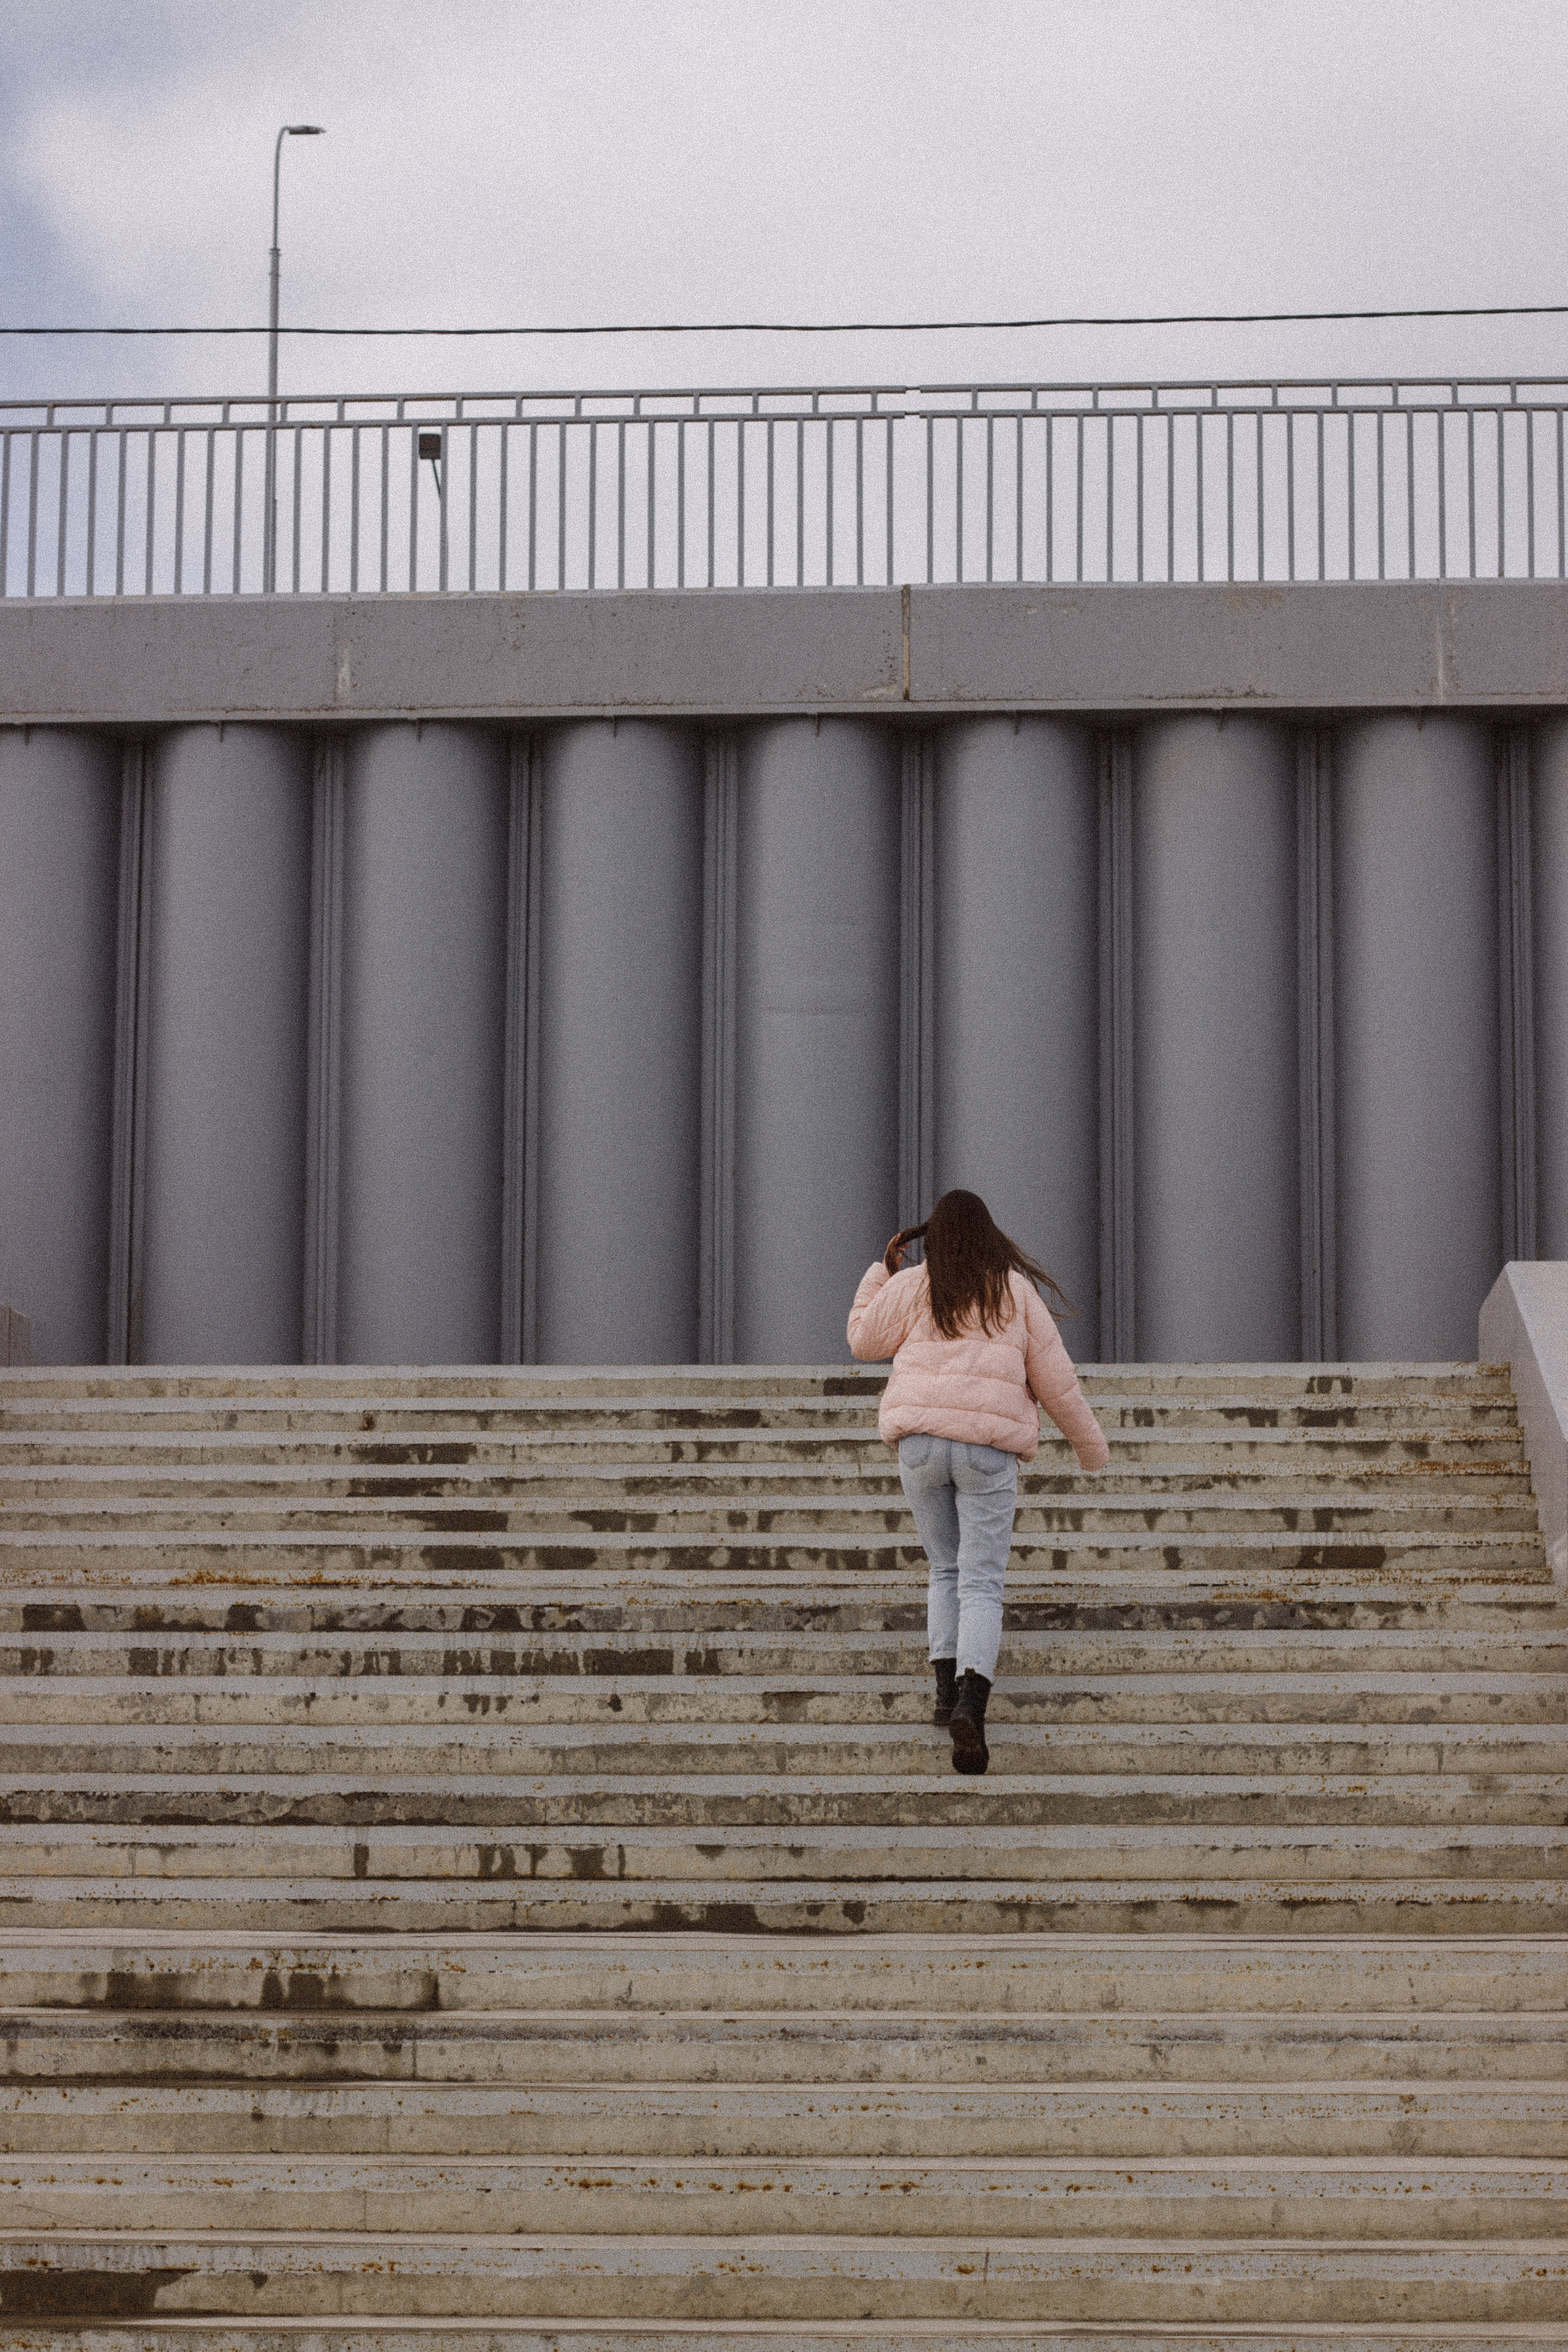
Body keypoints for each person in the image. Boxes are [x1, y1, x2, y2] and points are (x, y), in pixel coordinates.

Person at [846, 1188, 1109, 1775]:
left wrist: (881, 1271)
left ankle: (944, 1693)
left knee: (945, 1568)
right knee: (981, 1581)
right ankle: (971, 1702)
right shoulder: (1013, 1290)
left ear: (933, 1237)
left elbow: (862, 1341)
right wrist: (1092, 1449)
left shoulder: (915, 1284)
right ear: (989, 1235)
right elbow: (1057, 1382)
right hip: (987, 1452)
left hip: (919, 1445)